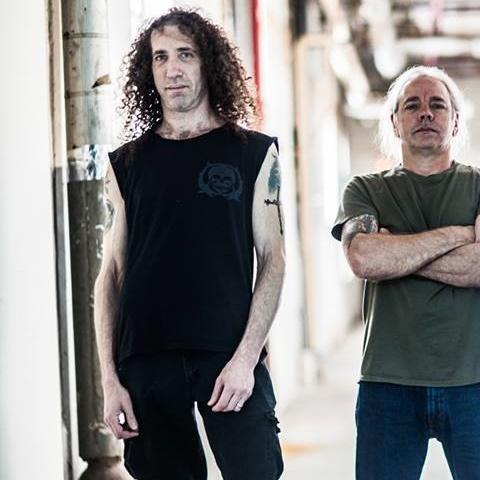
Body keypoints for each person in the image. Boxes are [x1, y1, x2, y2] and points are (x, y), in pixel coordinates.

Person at [94, 8, 285, 480]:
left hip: (228, 353)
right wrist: (110, 380)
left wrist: (247, 359)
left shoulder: (253, 153)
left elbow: (273, 259)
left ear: (208, 63)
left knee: (257, 472)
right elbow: (111, 274)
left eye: (185, 54)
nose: (172, 69)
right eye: (160, 57)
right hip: (146, 357)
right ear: (149, 70)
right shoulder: (126, 164)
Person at [332, 65, 480, 479]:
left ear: (455, 120)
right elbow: (364, 260)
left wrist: (397, 252)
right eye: (412, 105)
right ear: (395, 122)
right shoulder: (365, 189)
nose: (425, 113)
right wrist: (461, 235)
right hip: (387, 384)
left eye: (438, 105)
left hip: (473, 380)